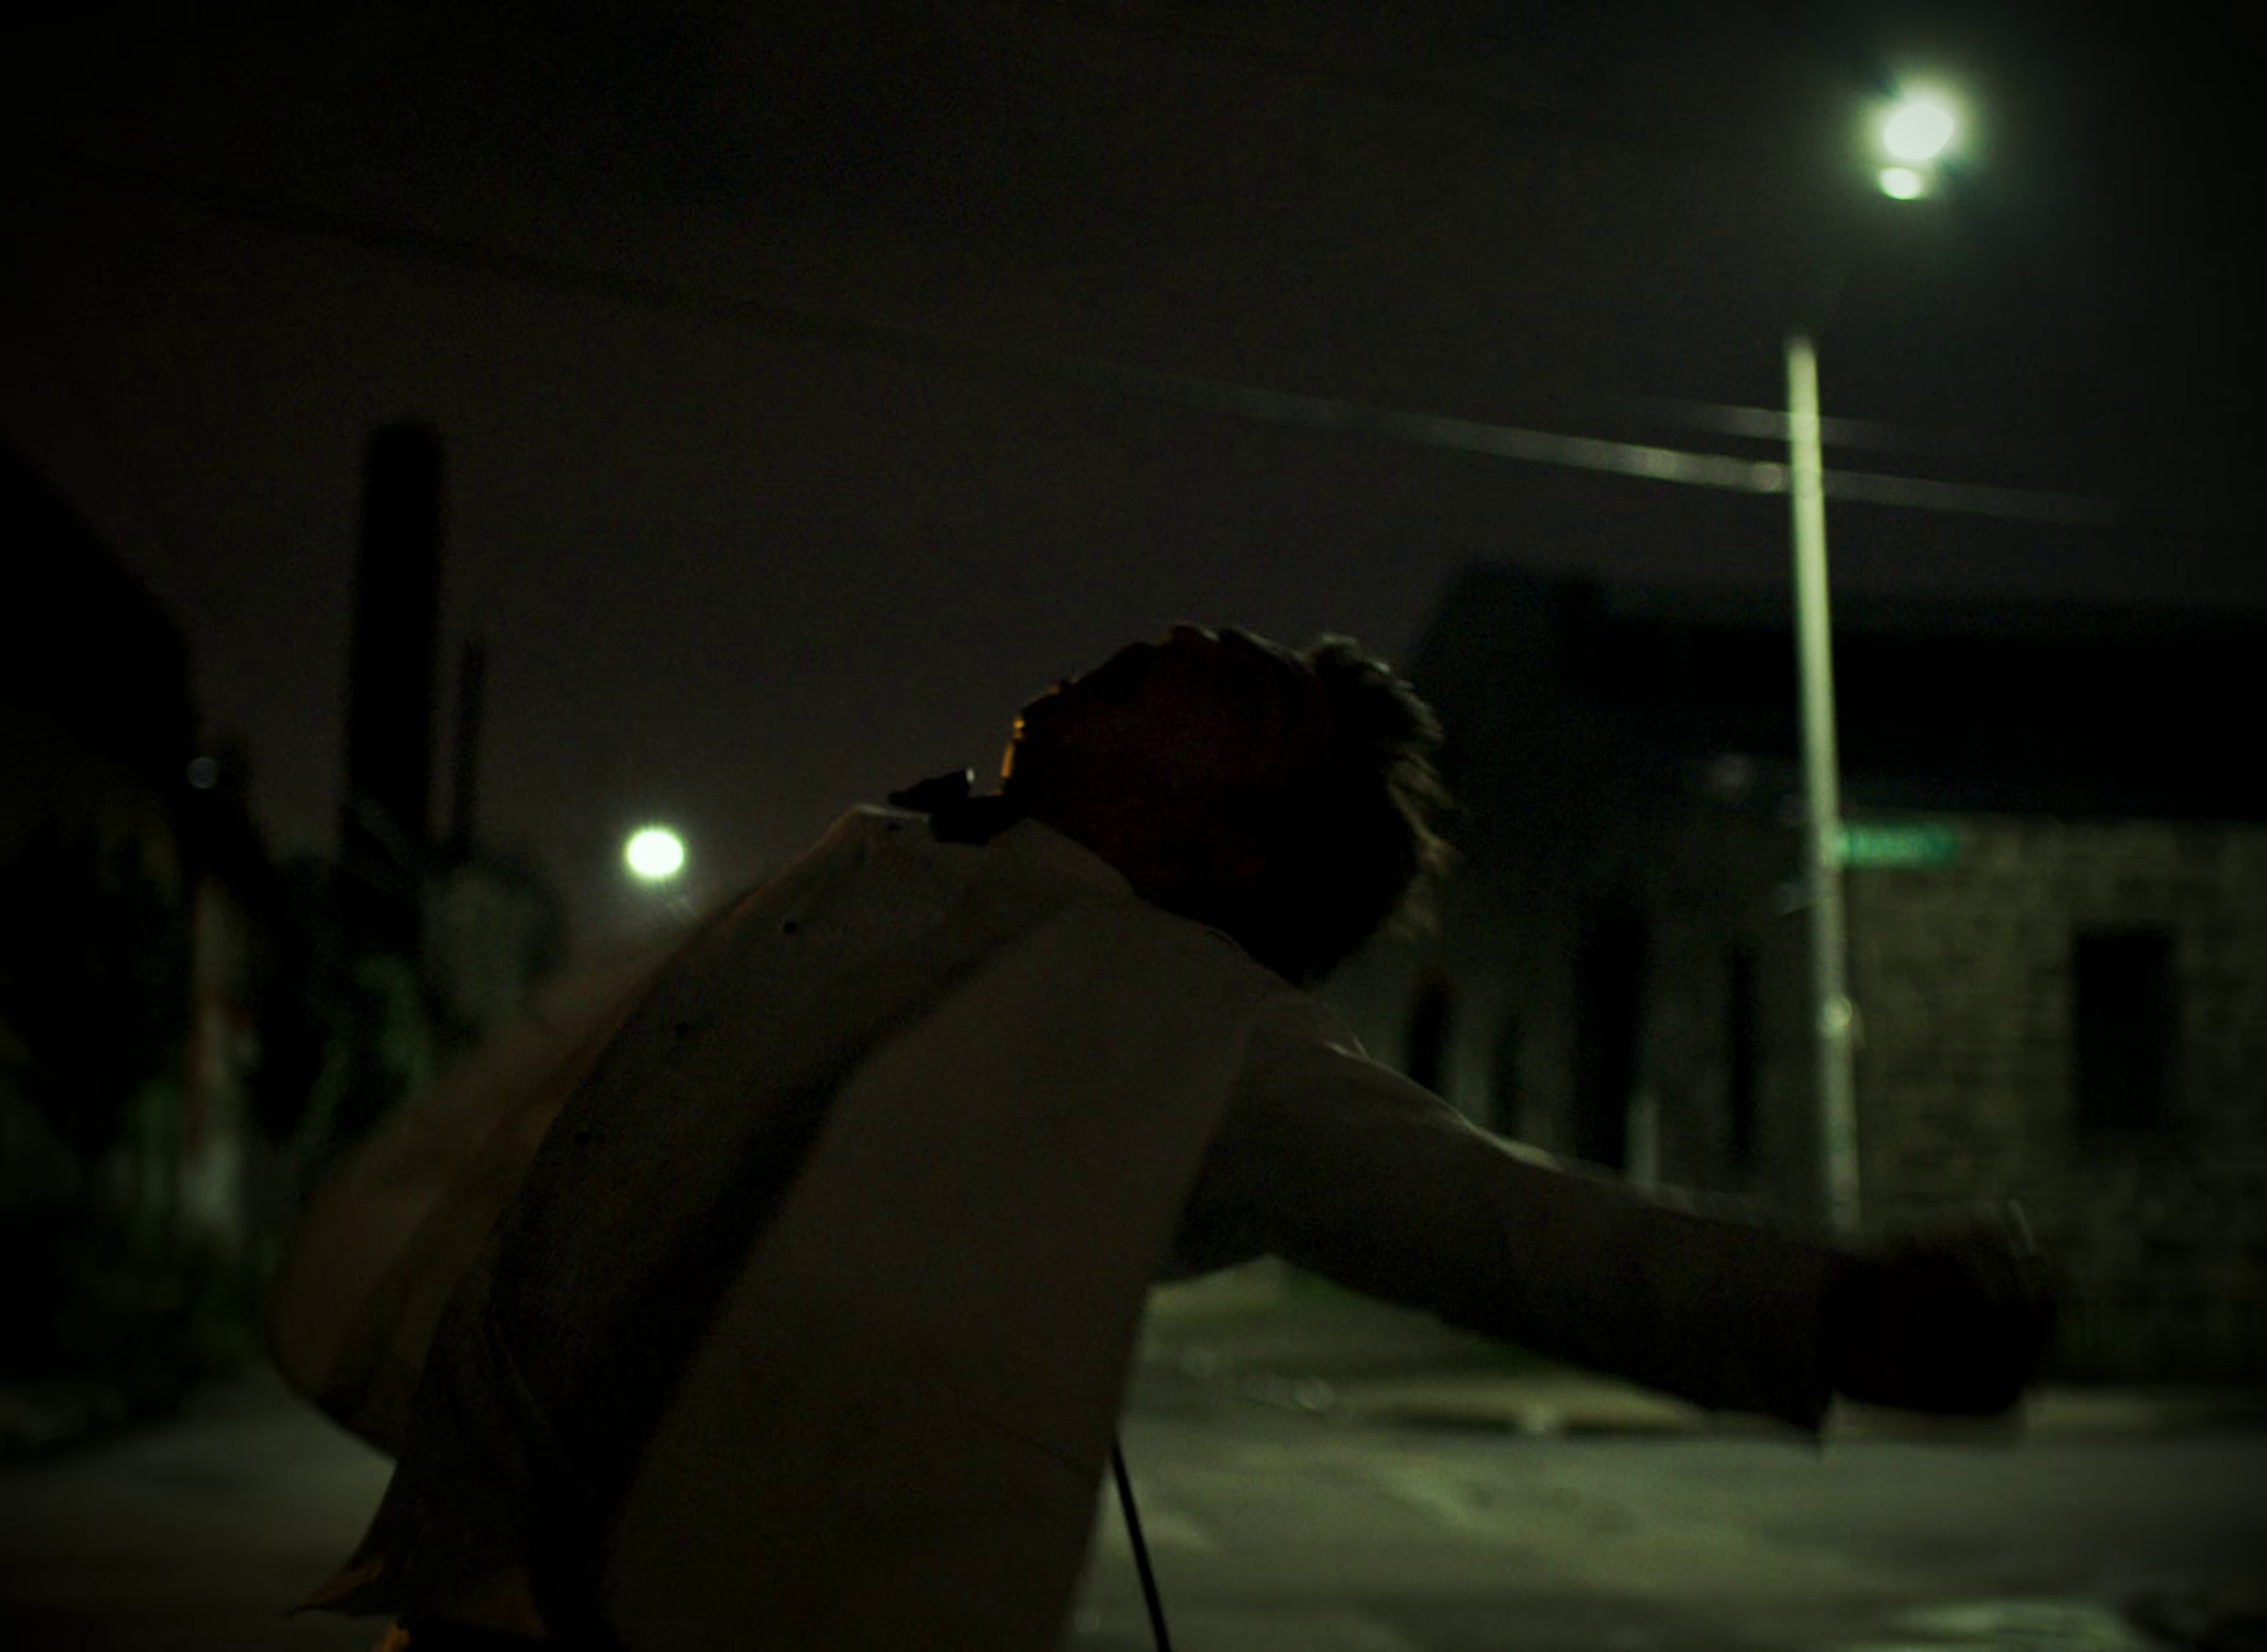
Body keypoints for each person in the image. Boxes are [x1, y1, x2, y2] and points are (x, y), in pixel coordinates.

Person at [270, 624, 2055, 1651]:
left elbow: (1485, 1216)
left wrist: (1828, 1313)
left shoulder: (1191, 1026)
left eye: (1241, 692)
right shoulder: (880, 861)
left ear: (1233, 848)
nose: (1188, 637)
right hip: (476, 1587)